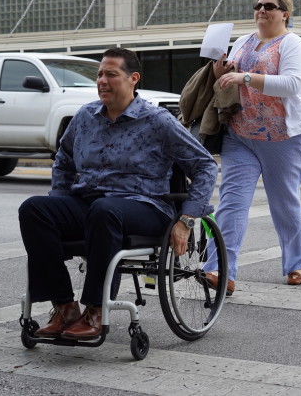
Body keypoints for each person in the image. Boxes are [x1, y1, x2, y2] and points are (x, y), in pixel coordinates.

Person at [18, 48, 217, 340]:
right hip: (90, 203)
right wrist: (59, 200)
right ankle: (64, 307)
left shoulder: (157, 121)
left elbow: (204, 165)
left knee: (105, 209)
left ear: (133, 79)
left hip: (145, 207)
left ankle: (97, 310)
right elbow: (64, 158)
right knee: (34, 209)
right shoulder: (86, 116)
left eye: (111, 74)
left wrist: (186, 220)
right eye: (99, 75)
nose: (102, 81)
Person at [202, 0, 301, 294]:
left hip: (283, 137)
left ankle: (295, 262)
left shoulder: (292, 44)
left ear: (284, 14)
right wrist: (221, 70)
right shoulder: (243, 42)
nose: (261, 10)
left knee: (283, 203)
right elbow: (228, 81)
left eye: (269, 5)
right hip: (240, 134)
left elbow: (293, 84)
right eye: (258, 5)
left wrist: (245, 77)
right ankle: (219, 270)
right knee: (231, 204)